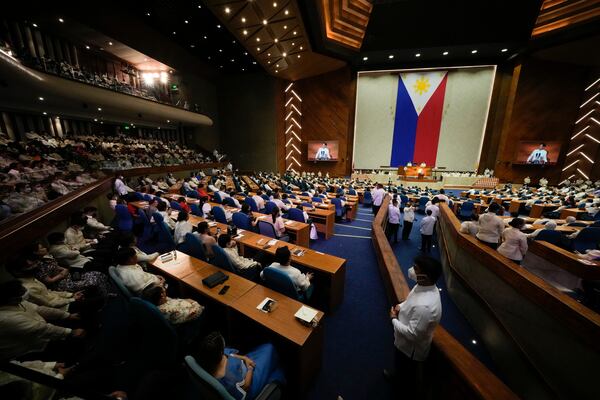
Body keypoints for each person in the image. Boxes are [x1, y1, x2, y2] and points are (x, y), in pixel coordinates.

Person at [385, 256, 442, 395]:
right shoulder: (422, 285)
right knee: (399, 368)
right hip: (402, 343)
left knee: (406, 378)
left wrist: (393, 319)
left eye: (416, 269)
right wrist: (401, 306)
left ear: (426, 277)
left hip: (410, 350)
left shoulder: (425, 307)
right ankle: (396, 378)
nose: (411, 270)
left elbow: (412, 335)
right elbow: (411, 298)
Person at [0, 280, 86, 361]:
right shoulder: (6, 318)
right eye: (22, 291)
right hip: (29, 352)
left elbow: (40, 310)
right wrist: (71, 332)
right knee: (79, 346)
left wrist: (68, 316)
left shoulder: (19, 302)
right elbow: (40, 329)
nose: (25, 291)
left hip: (41, 335)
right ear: (12, 299)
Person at [193, 331, 285, 400]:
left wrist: (244, 358)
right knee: (270, 349)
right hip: (250, 379)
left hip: (243, 365)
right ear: (220, 352)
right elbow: (246, 386)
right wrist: (250, 368)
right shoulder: (230, 380)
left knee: (264, 349)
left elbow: (230, 355)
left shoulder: (209, 359)